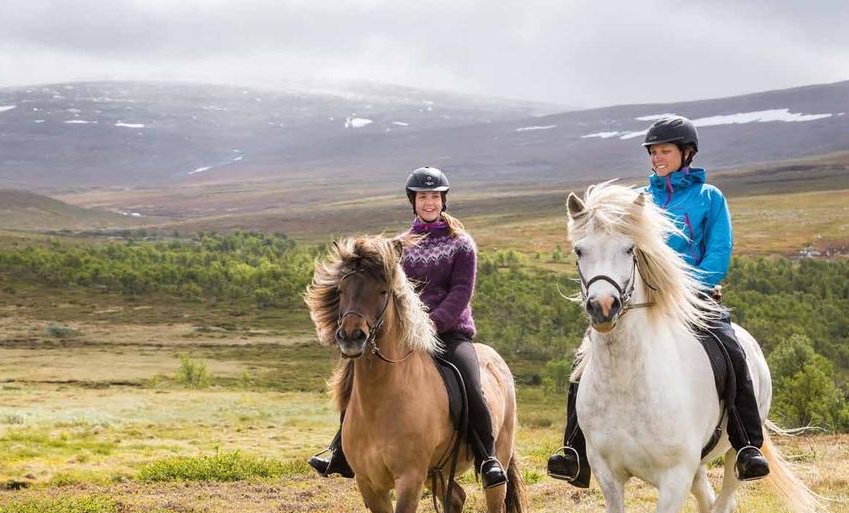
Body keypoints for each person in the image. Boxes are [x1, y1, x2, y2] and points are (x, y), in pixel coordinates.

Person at [547, 115, 770, 488]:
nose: (657, 158)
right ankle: (574, 449)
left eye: (664, 151)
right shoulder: (639, 201)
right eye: (653, 152)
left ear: (686, 154)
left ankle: (748, 445)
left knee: (730, 349)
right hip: (642, 304)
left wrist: (681, 288)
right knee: (585, 356)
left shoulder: (709, 198)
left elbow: (718, 255)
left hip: (695, 301)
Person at [309, 166, 508, 489]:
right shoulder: (397, 247)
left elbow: (460, 293)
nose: (429, 203)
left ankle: (487, 458)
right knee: (355, 377)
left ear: (443, 201)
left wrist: (430, 326)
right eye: (422, 197)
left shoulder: (462, 244)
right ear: (412, 202)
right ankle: (340, 449)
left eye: (434, 197)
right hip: (403, 337)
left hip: (448, 333)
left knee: (470, 382)